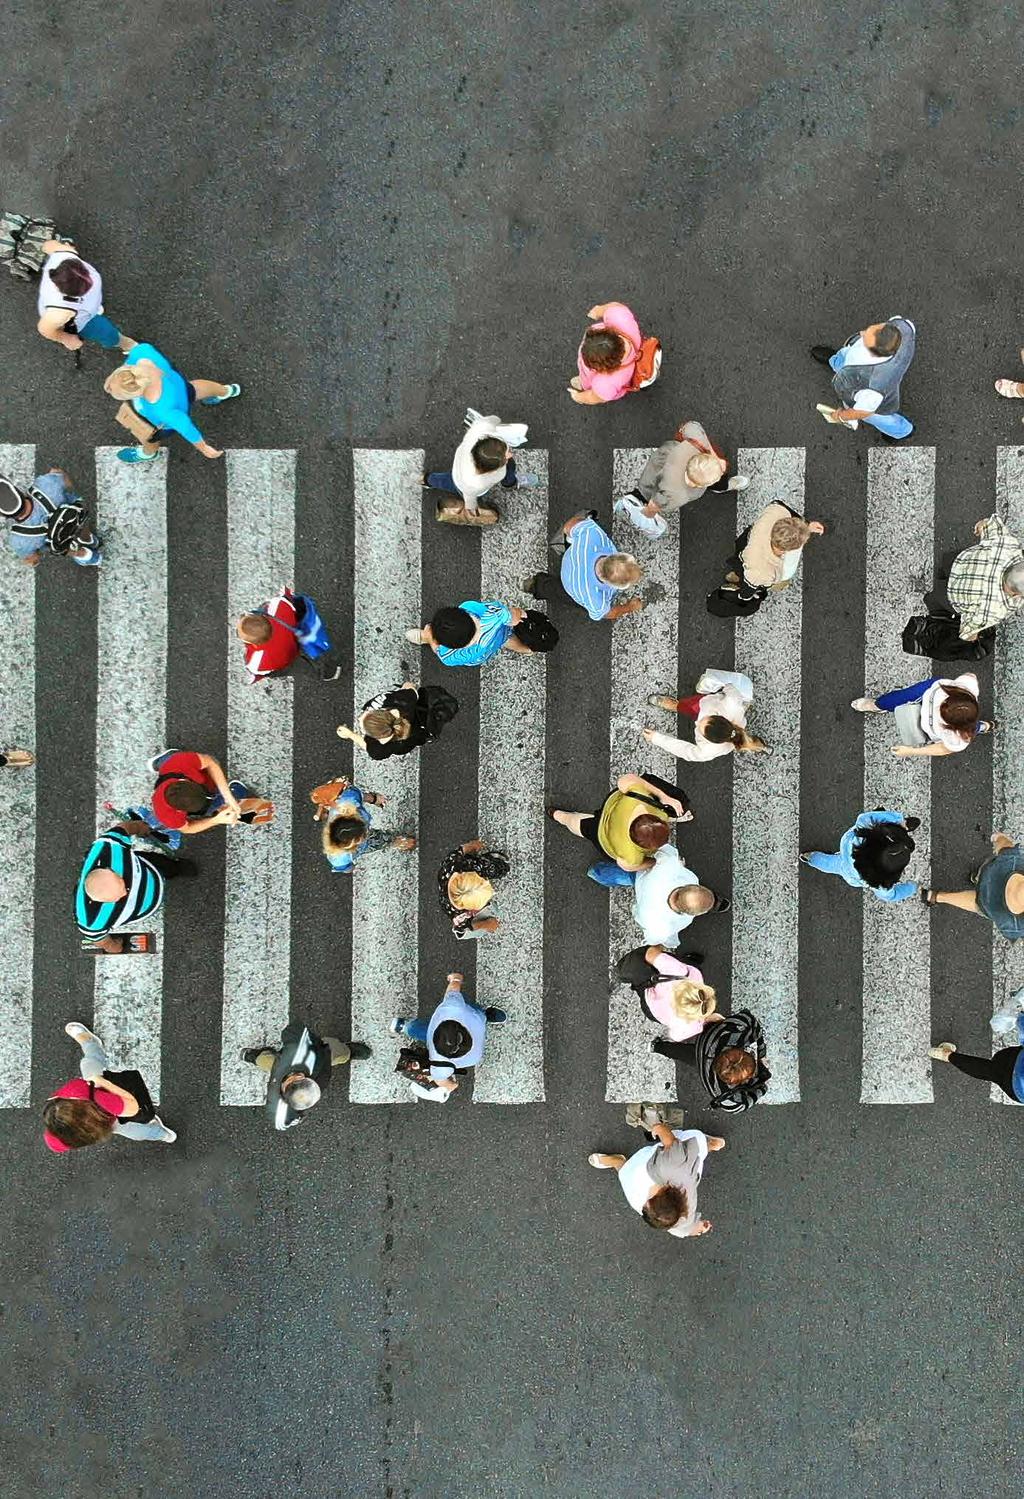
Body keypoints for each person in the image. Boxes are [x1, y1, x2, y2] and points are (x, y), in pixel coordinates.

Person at [43, 1021, 175, 1151]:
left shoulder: (62, 1136)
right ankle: (90, 1043)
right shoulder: (103, 1100)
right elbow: (133, 1107)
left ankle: (162, 1134)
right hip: (100, 1091)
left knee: (137, 1132)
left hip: (108, 1123)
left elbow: (55, 1144)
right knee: (90, 1062)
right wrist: (104, 1082)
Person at [103, 342, 240, 463]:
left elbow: (185, 426)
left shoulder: (161, 410)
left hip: (160, 424)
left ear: (137, 393)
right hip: (178, 387)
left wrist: (204, 447)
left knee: (149, 438)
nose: (109, 390)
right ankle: (227, 391)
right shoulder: (142, 352)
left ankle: (148, 454)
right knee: (194, 388)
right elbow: (140, 349)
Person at [75, 820, 198, 952]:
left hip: (149, 868)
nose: (126, 892)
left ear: (110, 870)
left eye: (122, 884)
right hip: (144, 904)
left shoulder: (108, 847)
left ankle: (176, 867)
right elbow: (100, 940)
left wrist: (139, 827)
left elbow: (123, 828)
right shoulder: (89, 919)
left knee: (163, 863)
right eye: (119, 897)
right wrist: (112, 946)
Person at [588, 1122, 724, 1238]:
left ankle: (617, 1162)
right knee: (696, 1140)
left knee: (626, 1173)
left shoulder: (681, 1214)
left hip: (647, 1164)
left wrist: (699, 1227)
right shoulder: (671, 1166)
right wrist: (658, 1128)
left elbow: (685, 1228)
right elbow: (668, 1137)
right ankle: (712, 1144)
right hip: (677, 1159)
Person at [390, 971, 506, 1097]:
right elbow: (456, 981)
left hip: (463, 1040)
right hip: (475, 1018)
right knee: (470, 1007)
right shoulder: (451, 1008)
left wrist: (439, 1081)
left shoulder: (441, 1070)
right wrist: (454, 979)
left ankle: (406, 1027)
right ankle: (487, 1013)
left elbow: (452, 1086)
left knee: (423, 1031)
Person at [550, 772, 692, 874]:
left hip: (611, 809)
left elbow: (626, 780)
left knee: (575, 822)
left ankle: (557, 815)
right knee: (582, 826)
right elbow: (626, 866)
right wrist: (655, 862)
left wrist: (663, 796)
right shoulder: (630, 853)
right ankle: (557, 815)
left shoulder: (640, 800)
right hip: (603, 836)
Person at [242, 1021, 370, 1130]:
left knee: (337, 1052)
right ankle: (255, 1056)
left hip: (307, 1055)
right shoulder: (277, 1105)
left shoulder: (303, 1052)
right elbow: (282, 1122)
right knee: (269, 1062)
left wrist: (315, 1046)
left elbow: (295, 1030)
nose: (298, 1076)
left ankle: (255, 1056)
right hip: (305, 1058)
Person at [424, 407, 538, 525]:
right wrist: (471, 509)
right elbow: (469, 495)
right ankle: (510, 483)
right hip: (463, 484)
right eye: (506, 455)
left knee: (444, 480)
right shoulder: (481, 480)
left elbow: (490, 421)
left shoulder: (478, 432)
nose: (510, 454)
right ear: (491, 470)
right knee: (510, 467)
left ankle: (427, 480)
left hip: (459, 469)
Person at [524, 511, 643, 623]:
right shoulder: (595, 600)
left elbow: (568, 526)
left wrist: (572, 538)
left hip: (570, 559)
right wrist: (630, 607)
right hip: (571, 586)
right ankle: (536, 587)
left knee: (552, 587)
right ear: (611, 584)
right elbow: (608, 613)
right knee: (559, 592)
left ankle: (534, 584)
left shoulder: (593, 534)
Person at [811, 316, 916, 438]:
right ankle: (835, 361)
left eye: (866, 336)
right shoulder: (902, 326)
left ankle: (902, 431)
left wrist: (841, 416)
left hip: (867, 392)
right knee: (844, 356)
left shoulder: (874, 386)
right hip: (857, 365)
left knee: (879, 418)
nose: (862, 333)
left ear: (875, 352)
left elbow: (863, 412)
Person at [141, 748, 272, 845]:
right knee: (213, 806)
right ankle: (165, 759)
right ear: (180, 811)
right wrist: (215, 820)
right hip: (185, 773)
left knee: (208, 759)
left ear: (184, 781)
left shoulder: (178, 764)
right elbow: (187, 828)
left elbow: (210, 763)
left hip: (176, 765)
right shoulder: (166, 815)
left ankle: (166, 758)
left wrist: (228, 797)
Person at [625, 421, 750, 520]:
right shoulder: (680, 495)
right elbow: (657, 502)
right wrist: (649, 513)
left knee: (650, 481)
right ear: (700, 485)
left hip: (662, 460)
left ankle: (638, 496)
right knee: (649, 491)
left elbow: (690, 427)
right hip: (661, 481)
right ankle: (721, 486)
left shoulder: (687, 456)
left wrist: (715, 458)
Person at [654, 1009, 771, 1113]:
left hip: (705, 1043)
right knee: (686, 1054)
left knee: (684, 1053)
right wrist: (761, 1055)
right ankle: (657, 1047)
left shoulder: (728, 1035)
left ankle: (657, 1046)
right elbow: (751, 1022)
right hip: (702, 1061)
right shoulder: (724, 1096)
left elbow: (748, 1019)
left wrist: (762, 1088)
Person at [642, 669, 769, 762]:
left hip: (709, 705)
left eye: (700, 729)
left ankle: (677, 706)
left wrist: (657, 738)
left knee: (691, 709)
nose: (700, 720)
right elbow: (730, 686)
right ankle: (677, 705)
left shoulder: (709, 750)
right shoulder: (732, 705)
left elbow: (684, 750)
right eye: (708, 719)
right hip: (708, 704)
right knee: (690, 707)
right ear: (721, 718)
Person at [851, 672, 990, 756]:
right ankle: (878, 705)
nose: (940, 706)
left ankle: (980, 727)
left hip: (927, 706)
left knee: (968, 731)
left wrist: (912, 751)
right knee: (896, 698)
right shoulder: (959, 735)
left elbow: (944, 748)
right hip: (926, 692)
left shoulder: (957, 737)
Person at [800, 809, 920, 903]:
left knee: (831, 864)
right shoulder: (881, 884)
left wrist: (899, 820)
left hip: (848, 846)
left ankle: (811, 858)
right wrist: (911, 888)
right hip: (852, 874)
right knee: (831, 864)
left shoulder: (862, 835)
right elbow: (892, 895)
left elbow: (866, 818)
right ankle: (810, 858)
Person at [35, 240, 133, 354]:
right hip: (82, 321)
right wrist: (65, 338)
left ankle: (94, 309)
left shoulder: (64, 254)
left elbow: (48, 245)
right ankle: (125, 344)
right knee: (106, 332)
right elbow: (45, 328)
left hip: (84, 308)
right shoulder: (60, 312)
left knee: (96, 313)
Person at [922, 830, 1024, 937]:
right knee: (979, 903)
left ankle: (979, 877)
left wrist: (998, 838)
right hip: (1008, 915)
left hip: (1006, 870)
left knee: (1004, 853)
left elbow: (1006, 849)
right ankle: (936, 896)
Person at [614, 945, 722, 1042]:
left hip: (661, 977)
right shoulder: (691, 1027)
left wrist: (659, 946)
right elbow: (675, 1036)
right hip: (652, 1009)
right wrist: (706, 1019)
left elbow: (650, 953)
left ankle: (686, 959)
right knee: (641, 988)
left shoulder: (677, 971)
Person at [0, 466, 102, 567]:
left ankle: (85, 555)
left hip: (61, 542)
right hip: (75, 516)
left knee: (61, 546)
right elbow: (65, 479)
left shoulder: (19, 541)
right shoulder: (46, 483)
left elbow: (33, 560)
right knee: (79, 524)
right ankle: (89, 539)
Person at [236, 586, 340, 684]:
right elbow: (287, 598)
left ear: (251, 643)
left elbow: (257, 672)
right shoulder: (278, 606)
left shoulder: (256, 662)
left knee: (304, 669)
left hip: (287, 661)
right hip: (293, 636)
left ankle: (324, 674)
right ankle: (330, 671)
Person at [945, 515, 1024, 642]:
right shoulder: (996, 609)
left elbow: (989, 524)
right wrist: (973, 636)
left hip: (960, 563)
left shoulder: (1008, 545)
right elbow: (967, 631)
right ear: (1015, 595)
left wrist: (982, 525)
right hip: (953, 594)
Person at [313, 777, 416, 873]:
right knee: (378, 840)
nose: (365, 834)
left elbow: (360, 795)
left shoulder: (349, 800)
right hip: (363, 846)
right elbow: (345, 868)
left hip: (343, 805)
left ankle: (329, 797)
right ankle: (394, 841)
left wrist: (374, 799)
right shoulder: (339, 858)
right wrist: (352, 868)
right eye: (361, 836)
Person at [336, 680, 459, 760]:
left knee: (419, 738)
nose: (359, 717)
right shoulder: (399, 702)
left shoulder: (378, 750)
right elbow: (411, 688)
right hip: (419, 718)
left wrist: (350, 735)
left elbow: (365, 745)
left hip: (412, 740)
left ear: (377, 736)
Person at [730, 503, 826, 604]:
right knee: (762, 581)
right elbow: (748, 590)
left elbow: (781, 507)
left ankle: (736, 575)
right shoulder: (763, 571)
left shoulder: (776, 511)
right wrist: (744, 598)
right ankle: (736, 579)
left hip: (744, 546)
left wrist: (806, 526)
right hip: (752, 571)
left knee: (742, 571)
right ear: (788, 550)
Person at [568, 301, 658, 405]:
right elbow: (615, 307)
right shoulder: (620, 318)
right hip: (626, 373)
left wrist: (578, 397)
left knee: (587, 379)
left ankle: (583, 383)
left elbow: (594, 396)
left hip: (607, 386)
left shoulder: (605, 384)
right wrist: (599, 310)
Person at [405, 600, 542, 666]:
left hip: (481, 656)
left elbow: (439, 651)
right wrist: (517, 614)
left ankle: (425, 637)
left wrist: (432, 639)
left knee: (432, 640)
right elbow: (511, 614)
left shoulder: (450, 656)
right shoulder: (470, 607)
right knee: (505, 638)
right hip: (498, 634)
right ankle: (527, 649)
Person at [929, 1011, 1024, 1103]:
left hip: (1015, 1061)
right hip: (1018, 1089)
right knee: (991, 1072)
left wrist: (1021, 1015)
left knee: (1000, 1061)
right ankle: (946, 1055)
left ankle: (948, 1054)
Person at [437, 840, 509, 939]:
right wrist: (486, 924)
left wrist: (473, 846)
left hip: (466, 868)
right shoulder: (460, 916)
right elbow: (460, 930)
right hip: (469, 915)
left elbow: (463, 849)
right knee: (474, 930)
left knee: (497, 868)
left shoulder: (451, 865)